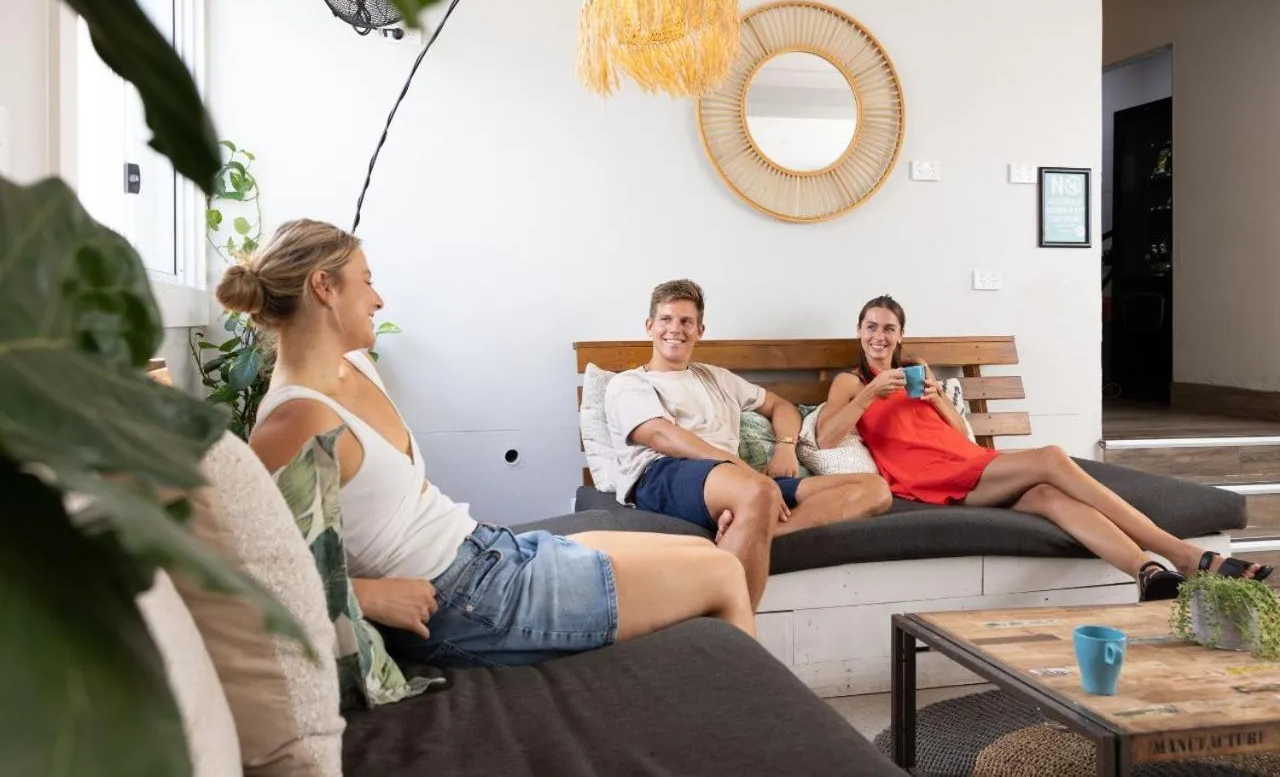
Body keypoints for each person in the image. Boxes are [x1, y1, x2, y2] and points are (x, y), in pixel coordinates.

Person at [217, 219, 755, 668]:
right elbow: (237, 570)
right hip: (468, 602)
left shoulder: (352, 367)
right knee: (724, 573)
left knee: (705, 550)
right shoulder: (295, 420)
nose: (378, 298)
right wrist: (369, 596)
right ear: (323, 287)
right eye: (366, 281)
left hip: (489, 552)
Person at [816, 294, 1274, 600]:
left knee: (1050, 497)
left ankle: (1147, 574)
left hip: (968, 462)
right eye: (872, 326)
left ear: (901, 336)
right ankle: (1185, 554)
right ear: (859, 331)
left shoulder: (915, 375)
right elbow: (827, 436)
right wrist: (869, 395)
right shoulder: (849, 382)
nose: (880, 336)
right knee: (1053, 457)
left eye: (889, 328)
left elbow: (957, 437)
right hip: (932, 481)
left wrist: (938, 397)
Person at [605, 279, 891, 608]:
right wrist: (743, 470)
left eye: (686, 321)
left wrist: (785, 447)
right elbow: (660, 435)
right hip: (666, 475)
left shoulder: (716, 378)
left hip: (738, 483)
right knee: (761, 492)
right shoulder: (629, 383)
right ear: (649, 326)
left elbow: (781, 406)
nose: (675, 329)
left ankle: (751, 528)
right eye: (666, 319)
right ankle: (735, 632)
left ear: (700, 329)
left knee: (875, 490)